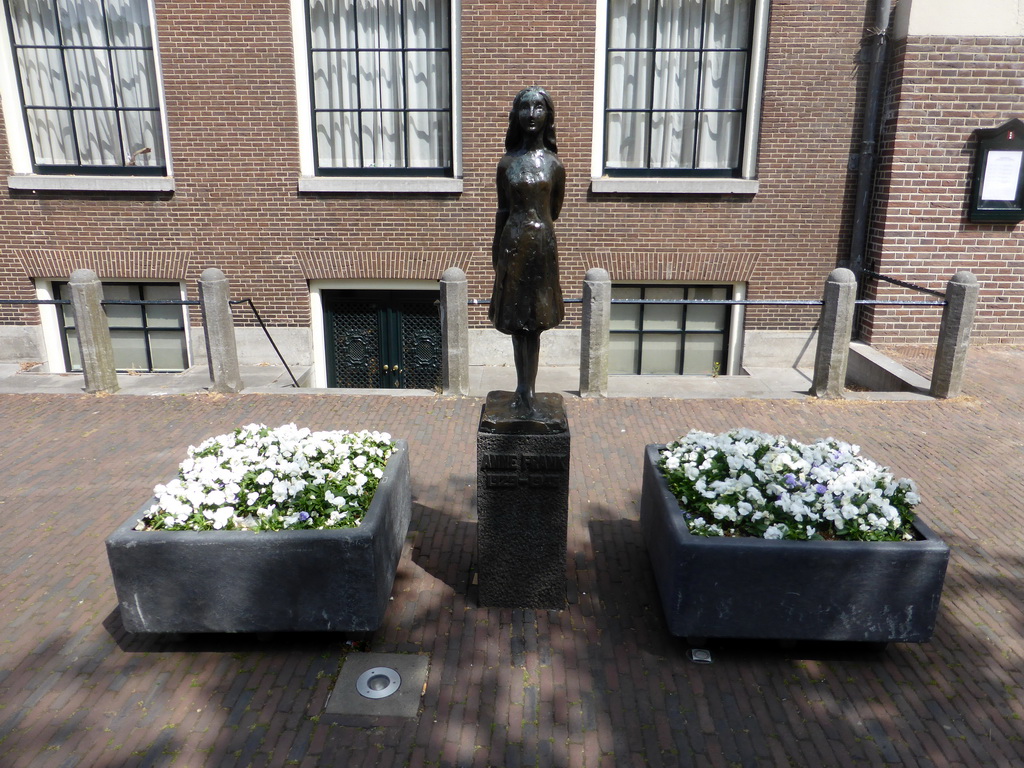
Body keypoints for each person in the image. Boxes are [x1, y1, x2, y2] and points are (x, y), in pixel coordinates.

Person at [489, 86, 566, 416]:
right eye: (525, 108)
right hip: (513, 244)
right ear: (515, 116)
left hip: (541, 249)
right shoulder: (507, 164)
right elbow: (503, 210)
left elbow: (555, 210)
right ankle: (520, 389)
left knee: (534, 322)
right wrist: (497, 252)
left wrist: (538, 235)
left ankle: (529, 391)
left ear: (548, 116)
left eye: (539, 108)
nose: (532, 114)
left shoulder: (554, 165)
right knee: (517, 321)